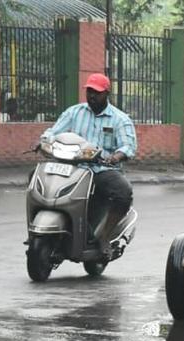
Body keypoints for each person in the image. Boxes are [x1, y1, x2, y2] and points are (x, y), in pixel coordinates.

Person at [41, 73, 137, 255]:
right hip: (72, 167)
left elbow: (128, 146)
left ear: (107, 93)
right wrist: (42, 141)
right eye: (90, 91)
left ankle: (104, 236)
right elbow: (53, 132)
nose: (92, 96)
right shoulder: (74, 112)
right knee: (37, 179)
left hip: (101, 170)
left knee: (123, 193)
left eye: (97, 92)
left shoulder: (120, 119)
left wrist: (116, 157)